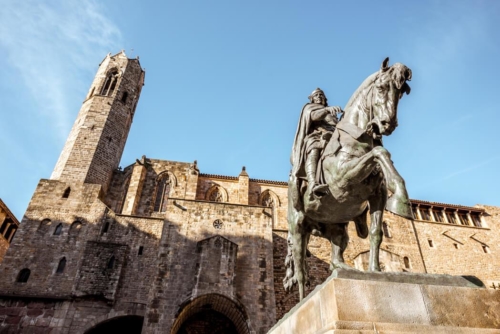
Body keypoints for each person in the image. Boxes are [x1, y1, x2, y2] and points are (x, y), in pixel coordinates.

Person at [291, 88, 342, 198]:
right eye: (316, 95)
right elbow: (313, 116)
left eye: (321, 95)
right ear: (312, 99)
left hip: (334, 137)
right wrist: (327, 110)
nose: (319, 97)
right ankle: (313, 183)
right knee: (314, 148)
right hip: (317, 137)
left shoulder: (332, 113)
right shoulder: (310, 109)